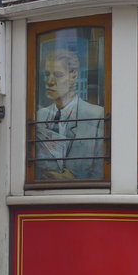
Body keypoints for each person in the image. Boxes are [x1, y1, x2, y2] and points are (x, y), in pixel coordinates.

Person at [34, 48, 105, 180]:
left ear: (73, 76)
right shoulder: (40, 117)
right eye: (47, 74)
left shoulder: (96, 115)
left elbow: (101, 170)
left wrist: (76, 181)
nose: (50, 81)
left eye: (58, 75)